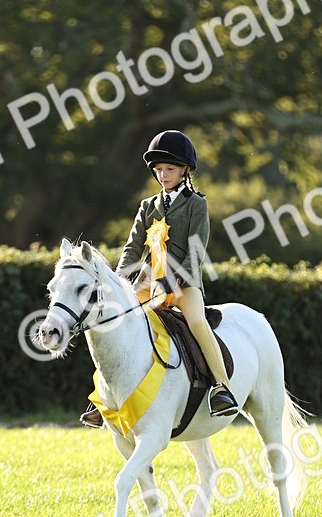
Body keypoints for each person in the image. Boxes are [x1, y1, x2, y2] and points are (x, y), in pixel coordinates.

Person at [80, 129, 239, 426]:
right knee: (113, 320)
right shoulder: (147, 206)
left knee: (196, 322)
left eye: (170, 169)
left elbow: (196, 250)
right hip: (148, 280)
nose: (163, 175)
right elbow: (132, 248)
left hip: (184, 282)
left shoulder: (196, 204)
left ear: (185, 170)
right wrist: (119, 282)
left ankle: (221, 387)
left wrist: (172, 282)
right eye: (159, 170)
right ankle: (102, 399)